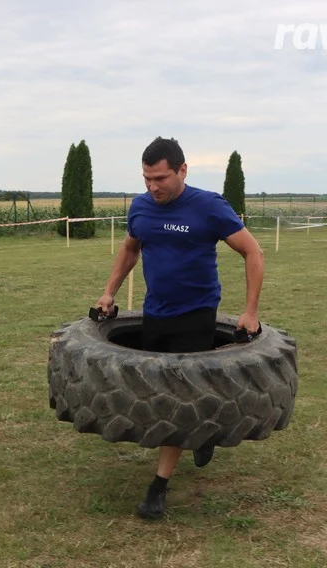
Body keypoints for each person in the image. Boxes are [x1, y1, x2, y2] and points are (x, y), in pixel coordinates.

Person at [95, 137, 265, 521]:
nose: (153, 186)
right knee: (161, 389)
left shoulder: (209, 207)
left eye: (160, 178)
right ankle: (201, 434)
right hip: (155, 312)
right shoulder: (140, 207)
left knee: (175, 394)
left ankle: (157, 488)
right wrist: (108, 293)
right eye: (146, 178)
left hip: (197, 314)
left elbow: (253, 251)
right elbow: (130, 248)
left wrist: (250, 311)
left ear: (182, 170)